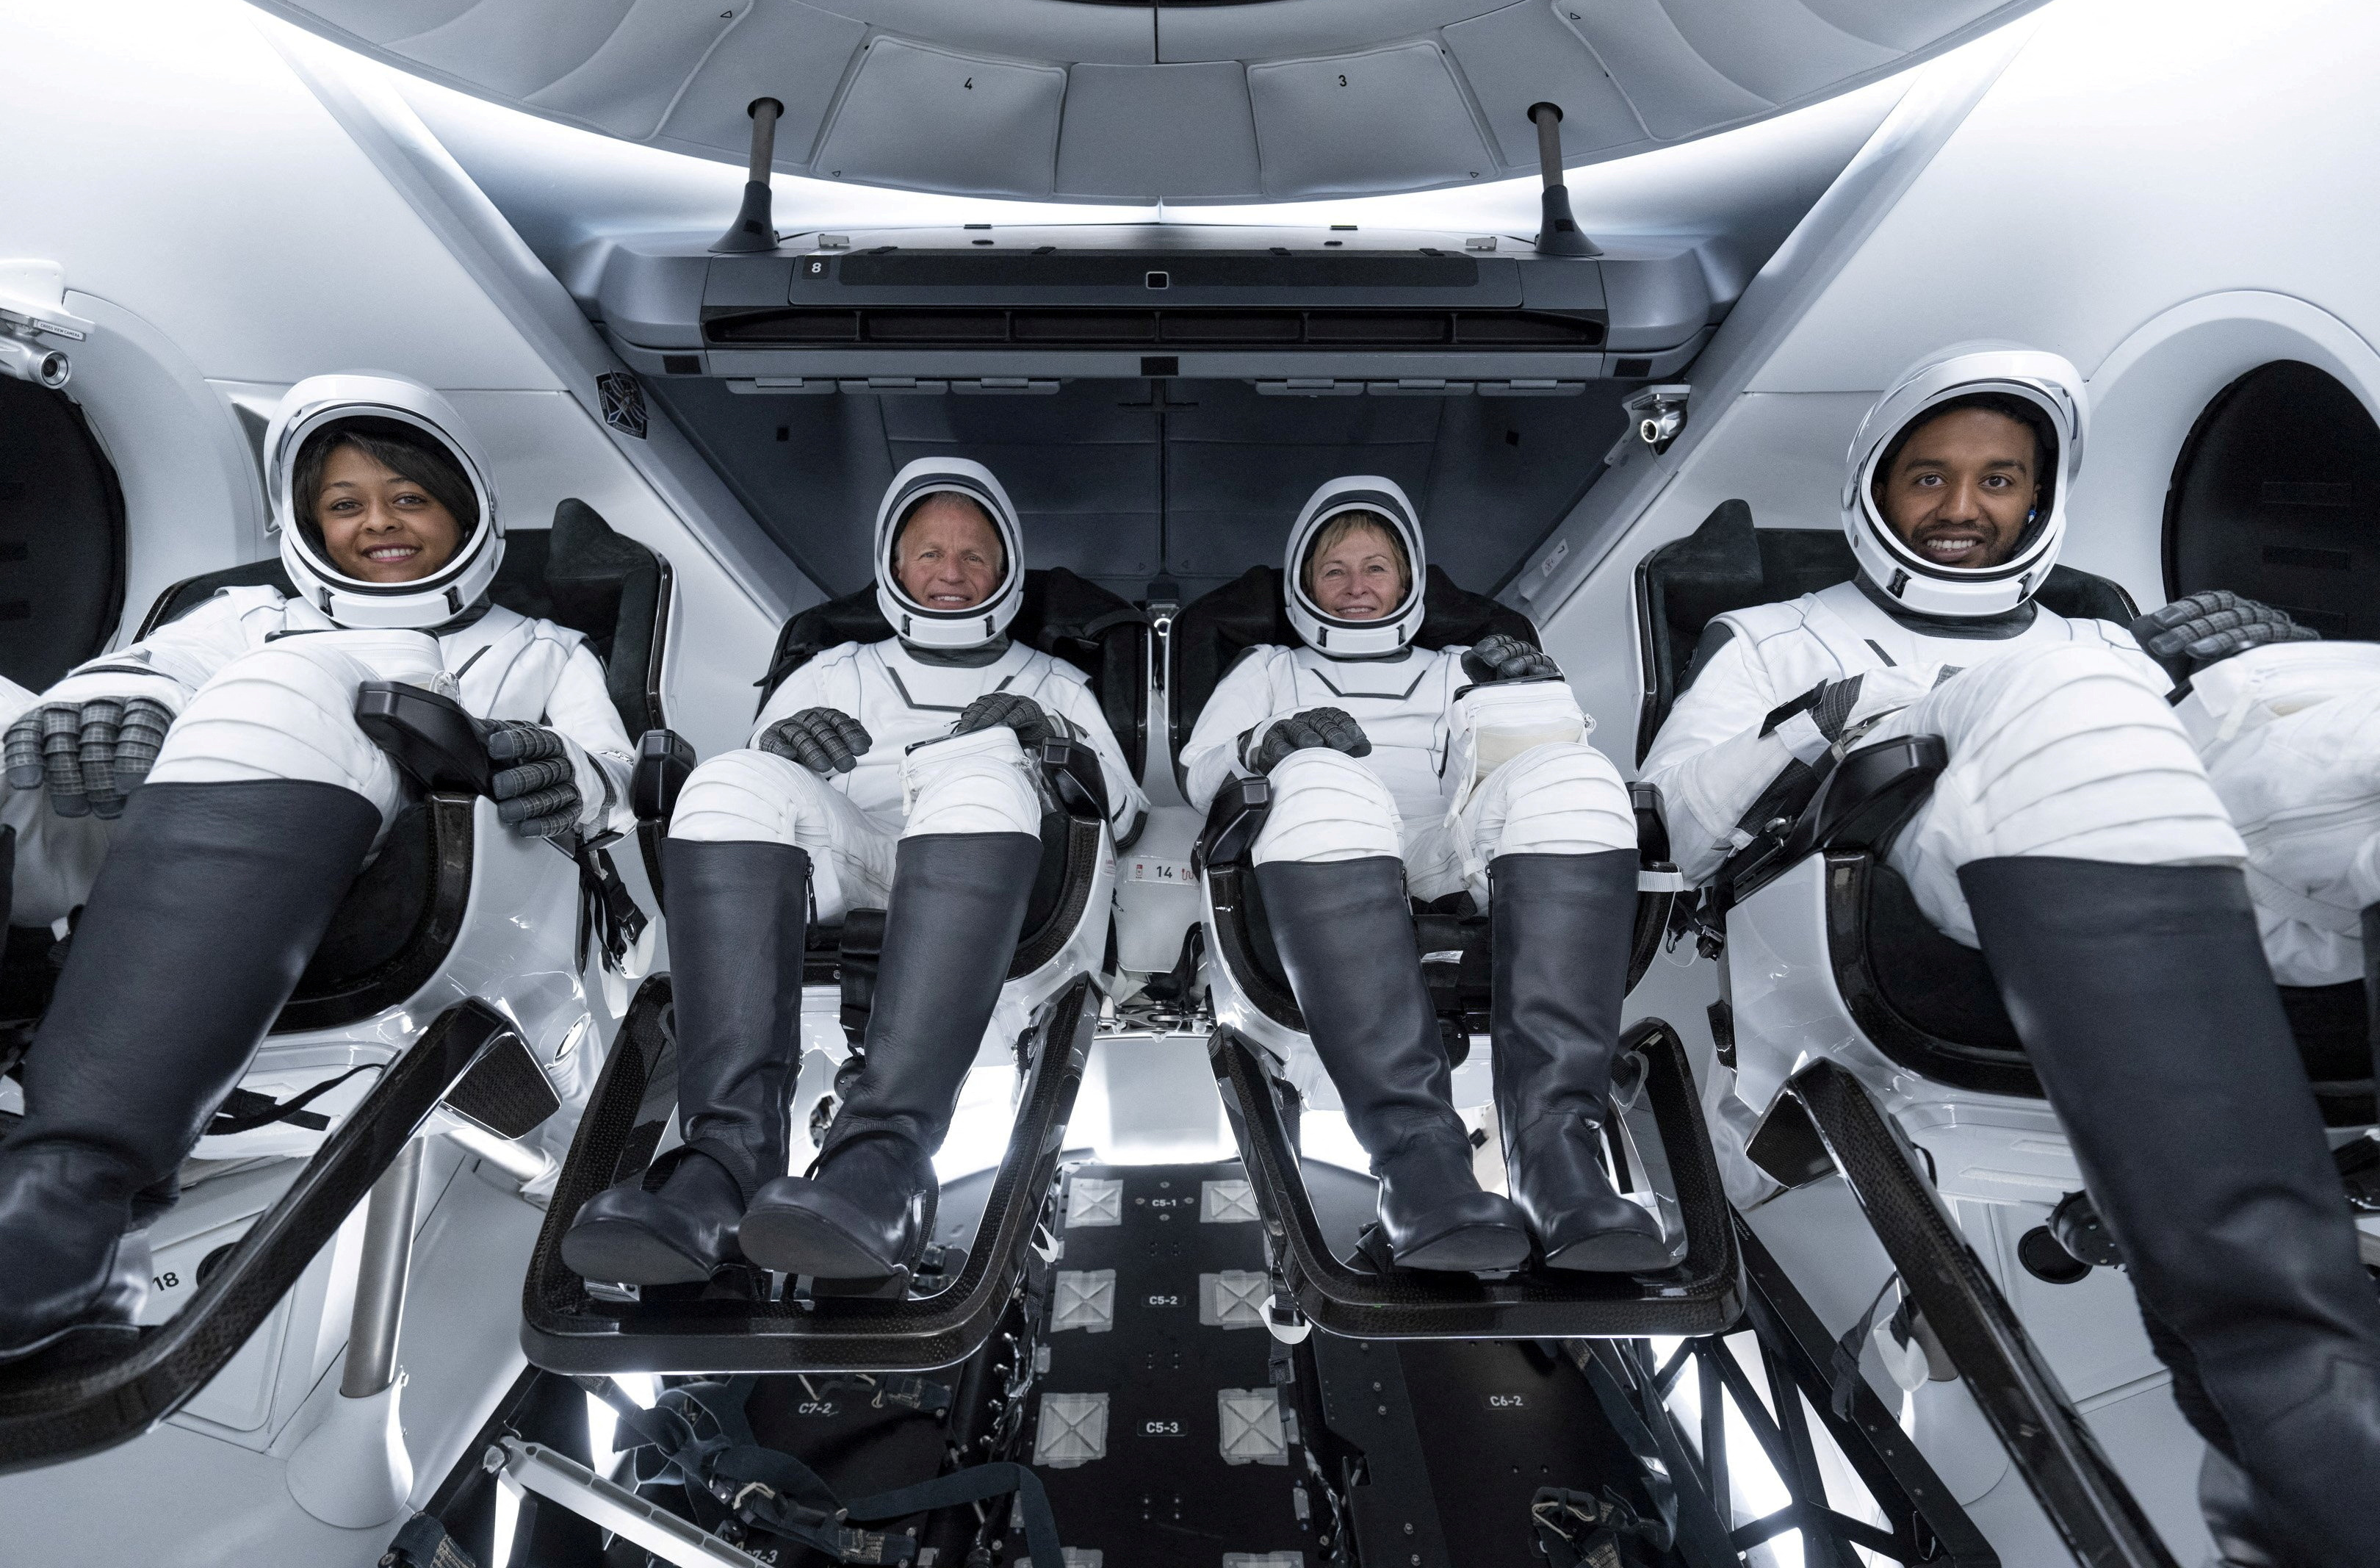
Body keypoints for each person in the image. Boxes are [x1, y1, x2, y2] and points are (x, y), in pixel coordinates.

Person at [1642, 345, 2380, 1567]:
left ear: (2038, 498)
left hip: (2183, 865)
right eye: (1930, 477)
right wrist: (1830, 717)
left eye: (1998, 480)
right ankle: (2303, 1413)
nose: (1964, 507)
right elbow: (1673, 817)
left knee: (2340, 707)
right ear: (1877, 488)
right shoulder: (1777, 636)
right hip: (1893, 898)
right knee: (2066, 692)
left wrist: (2254, 669)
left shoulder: (2108, 634)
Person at [0, 373, 635, 1365]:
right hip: (148, 862)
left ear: (464, 506)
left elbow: (612, 774)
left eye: (407, 497)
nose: (377, 523)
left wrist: (569, 773)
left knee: (299, 682)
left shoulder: (543, 652)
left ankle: (72, 1199)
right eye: (345, 504)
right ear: (309, 523)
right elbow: (162, 668)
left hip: (446, 898)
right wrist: (113, 699)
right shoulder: (244, 615)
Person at [563, 458, 1144, 1288]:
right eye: (929, 553)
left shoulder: (1055, 682)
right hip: (855, 862)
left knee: (979, 771)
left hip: (1001, 885)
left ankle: (885, 1161)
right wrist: (781, 751)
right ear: (893, 568)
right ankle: (724, 1164)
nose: (951, 572)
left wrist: (1047, 736)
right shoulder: (831, 670)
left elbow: (1122, 813)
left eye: (973, 555)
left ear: (1007, 572)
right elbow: (762, 797)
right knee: (729, 779)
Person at [1180, 477, 1665, 1274]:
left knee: (1578, 778)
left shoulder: (1455, 668)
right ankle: (1419, 1169)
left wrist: (1531, 703)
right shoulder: (1269, 668)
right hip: (1323, 846)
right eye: (1335, 570)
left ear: (1409, 580)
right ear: (1304, 584)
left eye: (1376, 566)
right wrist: (1266, 744)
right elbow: (1203, 774)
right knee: (1323, 781)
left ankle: (1558, 1163)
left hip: (1452, 849)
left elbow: (1506, 778)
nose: (1357, 586)